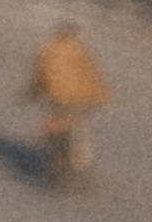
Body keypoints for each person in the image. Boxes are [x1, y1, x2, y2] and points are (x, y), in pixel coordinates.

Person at [24, 14, 109, 189]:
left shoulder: (47, 48)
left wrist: (32, 93)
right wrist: (101, 95)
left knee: (55, 124)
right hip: (78, 98)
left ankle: (54, 159)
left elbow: (38, 73)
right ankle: (80, 160)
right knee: (79, 127)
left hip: (56, 98)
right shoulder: (79, 49)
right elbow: (90, 74)